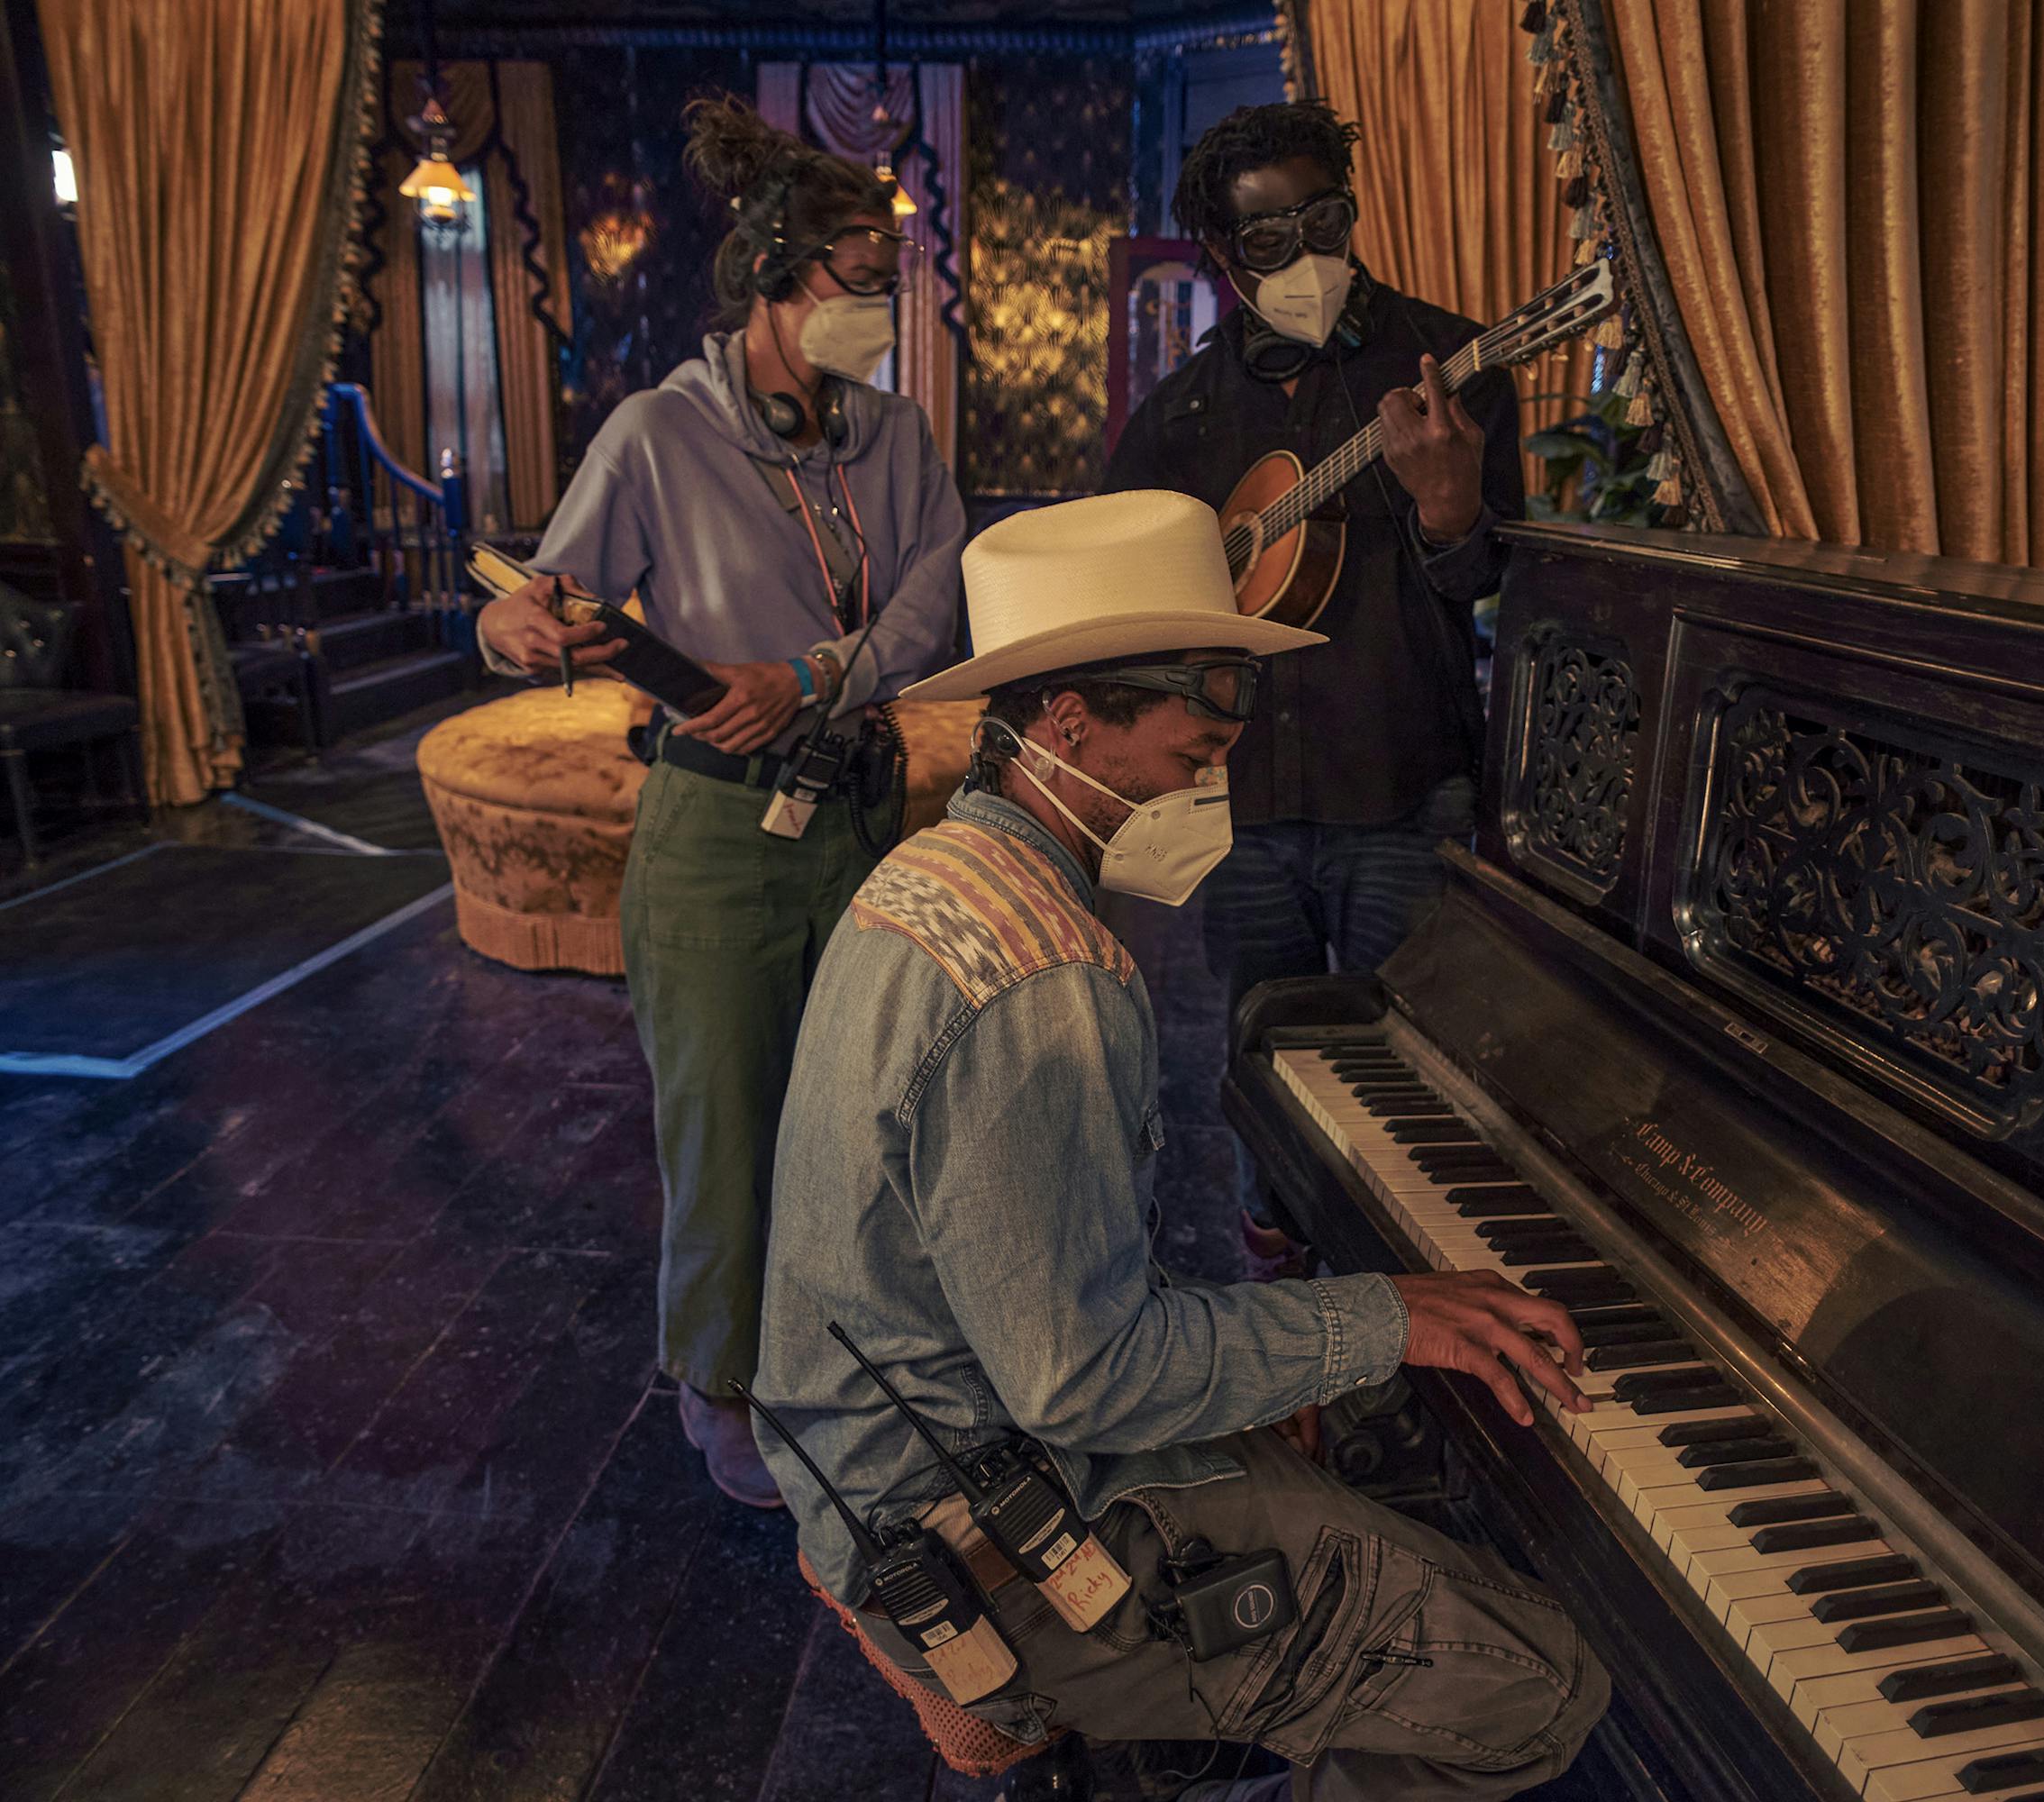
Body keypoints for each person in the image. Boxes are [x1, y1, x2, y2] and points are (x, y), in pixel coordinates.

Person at [749, 490, 1606, 1802]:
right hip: (968, 1527)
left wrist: (1343, 1335)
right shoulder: (1045, 981)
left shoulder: (934, 872)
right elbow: (1081, 1382)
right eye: (1189, 756)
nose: (1207, 791)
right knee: (1537, 1689)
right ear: (1064, 720)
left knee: (1348, 1419)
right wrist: (1384, 1319)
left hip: (890, 1446)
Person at [476, 96, 964, 1508]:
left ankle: (846, 1355)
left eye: (888, 282)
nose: (876, 307)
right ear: (769, 280)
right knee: (725, 1118)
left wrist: (817, 672)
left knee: (863, 1112)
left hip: (861, 811)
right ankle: (721, 1382)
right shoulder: (655, 433)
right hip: (715, 831)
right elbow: (543, 598)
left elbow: (934, 588)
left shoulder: (895, 434)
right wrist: (526, 632)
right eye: (852, 284)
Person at [1101, 102, 1521, 1272]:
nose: (1306, 256)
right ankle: (1281, 1311)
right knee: (1261, 1066)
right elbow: (1124, 604)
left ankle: (1409, 1326)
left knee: (1411, 1072)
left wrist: (1447, 512)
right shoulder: (1179, 416)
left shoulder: (1452, 365)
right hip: (1239, 810)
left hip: (1402, 790)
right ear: (1224, 262)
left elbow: (1502, 582)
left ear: (1347, 204)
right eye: (1268, 242)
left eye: (1321, 220)